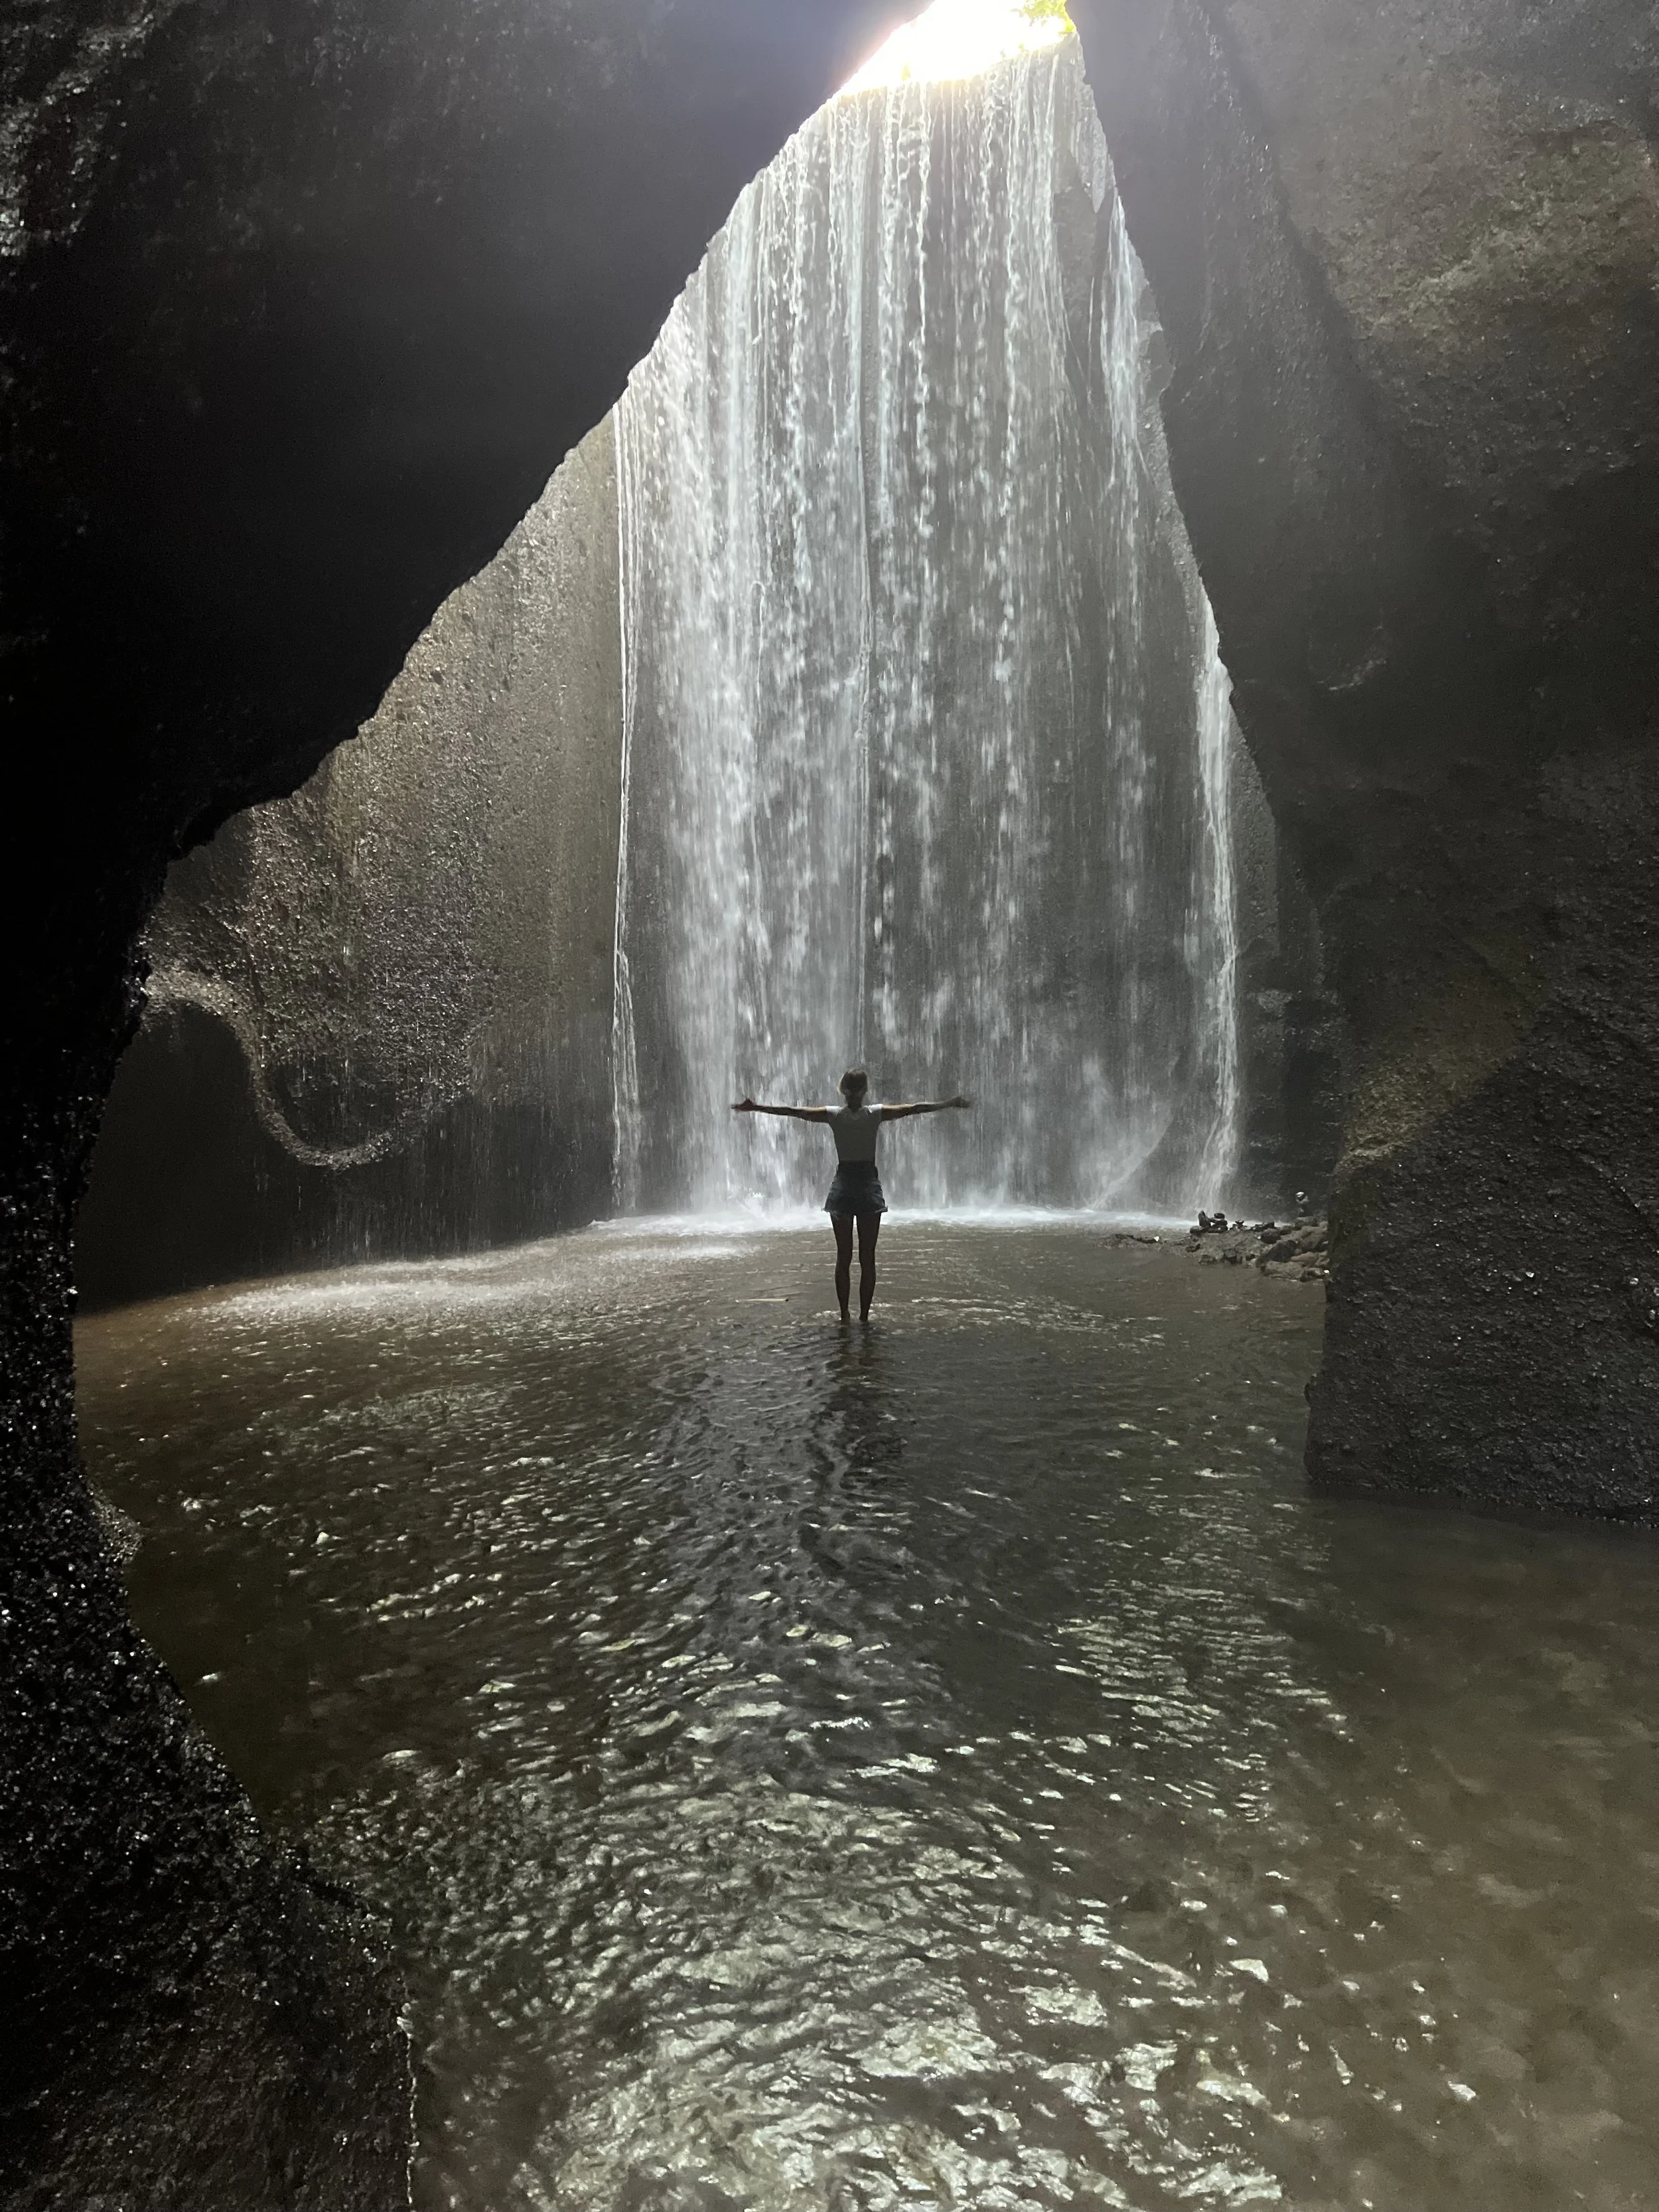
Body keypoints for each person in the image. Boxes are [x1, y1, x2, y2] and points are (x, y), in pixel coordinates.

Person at [733, 1069, 972, 1322]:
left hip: (843, 1188)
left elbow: (794, 1111)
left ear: (842, 1090)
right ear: (866, 1090)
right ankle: (865, 1317)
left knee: (843, 1256)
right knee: (868, 1257)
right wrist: (949, 1103)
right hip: (868, 1187)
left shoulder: (834, 1115)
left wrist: (756, 1107)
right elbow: (914, 1108)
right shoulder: (875, 1114)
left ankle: (845, 1315)